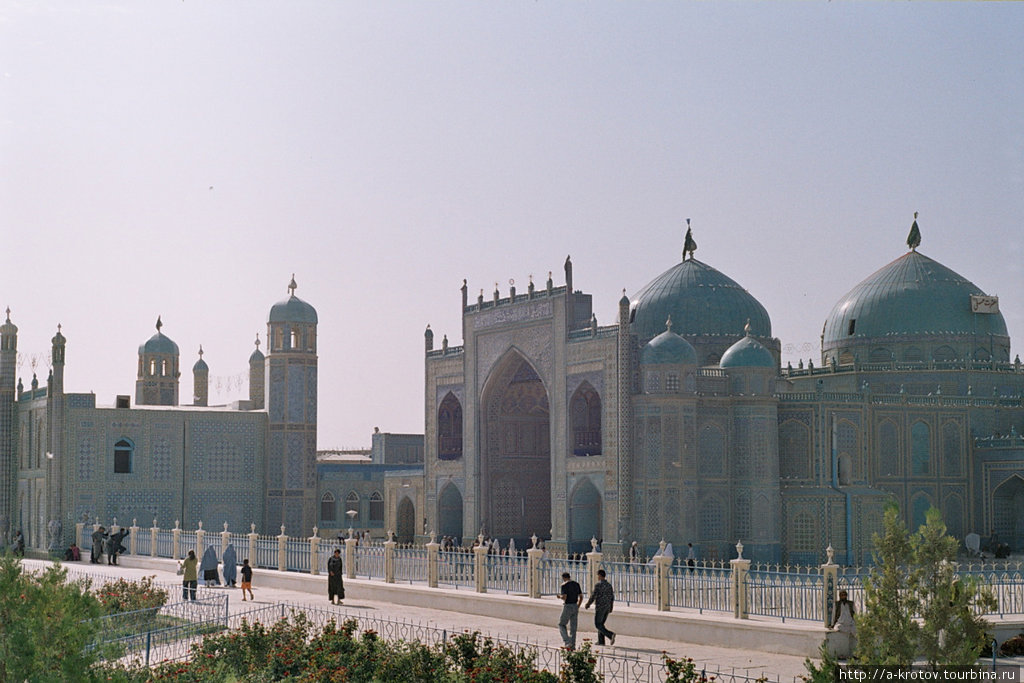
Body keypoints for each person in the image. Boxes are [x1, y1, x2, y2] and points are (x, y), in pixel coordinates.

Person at [585, 569, 615, 646]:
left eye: (598, 575)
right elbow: (612, 597)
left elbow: (593, 596)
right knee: (601, 624)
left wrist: (588, 604)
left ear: (600, 575)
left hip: (600, 607)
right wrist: (611, 607)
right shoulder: (609, 585)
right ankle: (601, 641)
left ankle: (610, 635)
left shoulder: (598, 585)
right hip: (607, 607)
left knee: (597, 624)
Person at [557, 571, 583, 649]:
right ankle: (573, 645)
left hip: (568, 606)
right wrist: (578, 606)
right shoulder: (576, 584)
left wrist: (559, 597)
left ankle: (567, 642)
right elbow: (581, 596)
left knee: (561, 624)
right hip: (575, 605)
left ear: (564, 578)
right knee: (573, 627)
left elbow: (564, 597)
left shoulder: (564, 585)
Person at [830, 589, 856, 659]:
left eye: (845, 595)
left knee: (855, 632)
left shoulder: (851, 604)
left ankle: (855, 653)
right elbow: (834, 614)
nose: (843, 596)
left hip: (850, 623)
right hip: (841, 623)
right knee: (838, 628)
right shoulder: (837, 604)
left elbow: (855, 613)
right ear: (840, 596)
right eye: (842, 595)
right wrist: (832, 624)